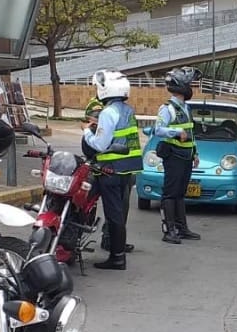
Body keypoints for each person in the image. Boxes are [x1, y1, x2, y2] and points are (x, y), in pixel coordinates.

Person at [81, 70, 143, 270]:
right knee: (114, 211)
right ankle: (116, 253)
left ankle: (117, 257)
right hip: (126, 170)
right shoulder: (127, 110)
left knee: (112, 214)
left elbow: (100, 144)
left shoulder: (108, 112)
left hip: (110, 170)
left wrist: (86, 131)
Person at [154, 67, 202, 244]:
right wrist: (175, 133)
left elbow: (191, 133)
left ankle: (182, 228)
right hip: (173, 156)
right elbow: (158, 129)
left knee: (180, 194)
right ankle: (169, 230)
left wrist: (195, 153)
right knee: (170, 194)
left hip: (186, 156)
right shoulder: (168, 108)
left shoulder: (186, 108)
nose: (192, 88)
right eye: (190, 84)